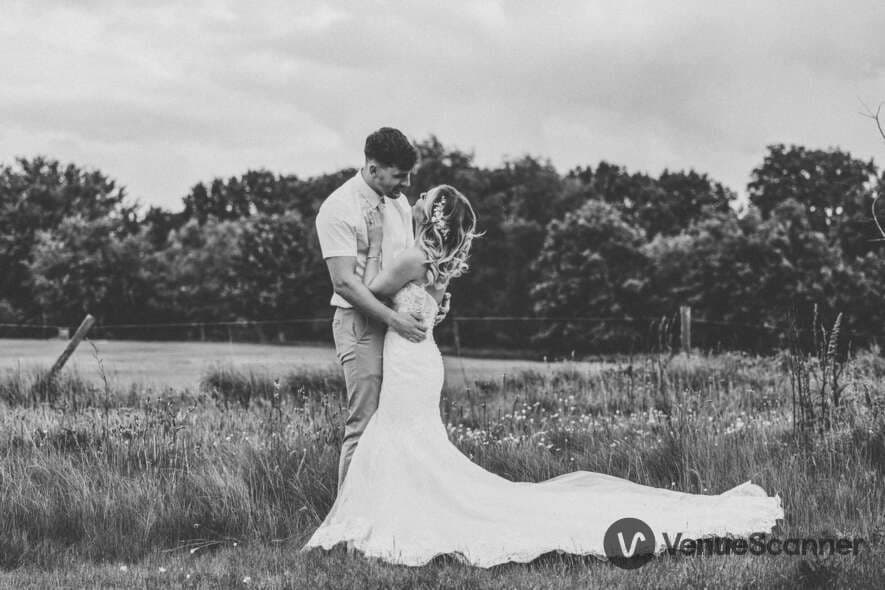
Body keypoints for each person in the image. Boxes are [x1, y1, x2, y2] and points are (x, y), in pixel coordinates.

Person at [303, 185, 783, 567]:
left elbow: (368, 291)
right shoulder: (439, 265)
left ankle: (381, 518)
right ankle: (387, 513)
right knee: (411, 441)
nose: (416, 200)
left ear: (433, 215)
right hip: (422, 358)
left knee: (397, 437)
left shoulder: (411, 258)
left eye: (424, 200)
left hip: (409, 360)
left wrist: (365, 254)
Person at [315, 127, 449, 491]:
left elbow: (404, 264)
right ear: (373, 168)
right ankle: (345, 521)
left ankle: (388, 506)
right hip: (360, 325)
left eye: (408, 175)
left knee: (396, 420)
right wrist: (394, 319)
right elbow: (343, 282)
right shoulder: (339, 209)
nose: (406, 183)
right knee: (365, 423)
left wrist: (428, 298)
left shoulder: (398, 202)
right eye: (398, 175)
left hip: (397, 329)